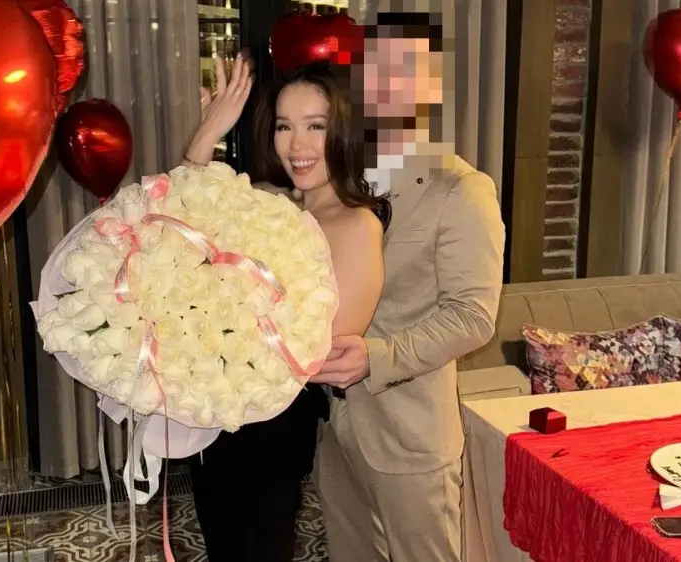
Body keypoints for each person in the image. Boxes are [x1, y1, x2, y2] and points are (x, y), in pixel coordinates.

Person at [309, 11, 506, 562]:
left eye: (404, 72)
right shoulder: (335, 176)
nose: (385, 86)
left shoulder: (461, 188)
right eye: (374, 70)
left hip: (409, 434)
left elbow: (472, 316)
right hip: (335, 425)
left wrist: (377, 357)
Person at [181, 55, 388, 561]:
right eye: (284, 126)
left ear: (342, 131)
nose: (297, 145)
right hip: (212, 415)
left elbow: (323, 348)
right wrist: (208, 132)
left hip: (272, 426)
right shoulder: (266, 197)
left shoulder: (356, 224)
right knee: (221, 543)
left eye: (315, 126)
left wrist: (215, 314)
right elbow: (178, 219)